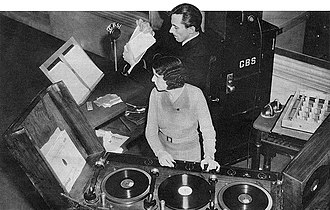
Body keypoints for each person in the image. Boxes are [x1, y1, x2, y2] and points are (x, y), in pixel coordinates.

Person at [145, 56, 220, 171]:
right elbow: (150, 131)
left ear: (170, 78)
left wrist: (209, 156)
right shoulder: (156, 93)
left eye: (157, 76)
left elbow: (208, 130)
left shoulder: (195, 94)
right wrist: (160, 152)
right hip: (163, 150)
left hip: (190, 153)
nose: (152, 80)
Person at [122, 3, 213, 94]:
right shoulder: (190, 37)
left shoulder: (197, 56)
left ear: (191, 30)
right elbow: (164, 41)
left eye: (175, 27)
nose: (171, 30)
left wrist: (133, 65)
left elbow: (161, 85)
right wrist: (150, 33)